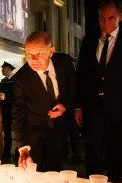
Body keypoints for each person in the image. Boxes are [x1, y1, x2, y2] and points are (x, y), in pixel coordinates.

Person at [75, 0, 122, 182]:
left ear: (120, 16)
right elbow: (81, 75)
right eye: (102, 18)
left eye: (111, 18)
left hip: (118, 111)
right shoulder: (89, 41)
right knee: (93, 156)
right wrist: (79, 106)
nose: (106, 23)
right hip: (92, 110)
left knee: (115, 159)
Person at [12, 31, 75, 172]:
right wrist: (22, 148)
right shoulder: (21, 79)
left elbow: (74, 89)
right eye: (29, 54)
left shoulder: (64, 63)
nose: (33, 59)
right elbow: (18, 114)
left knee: (56, 172)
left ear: (51, 51)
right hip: (34, 133)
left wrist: (65, 105)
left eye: (39, 53)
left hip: (59, 130)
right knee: (34, 175)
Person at [0, 61, 15, 159]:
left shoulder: (15, 80)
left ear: (9, 69)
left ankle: (18, 153)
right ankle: (6, 152)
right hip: (5, 110)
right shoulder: (3, 81)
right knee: (7, 133)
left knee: (18, 133)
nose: (2, 70)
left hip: (14, 110)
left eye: (3, 69)